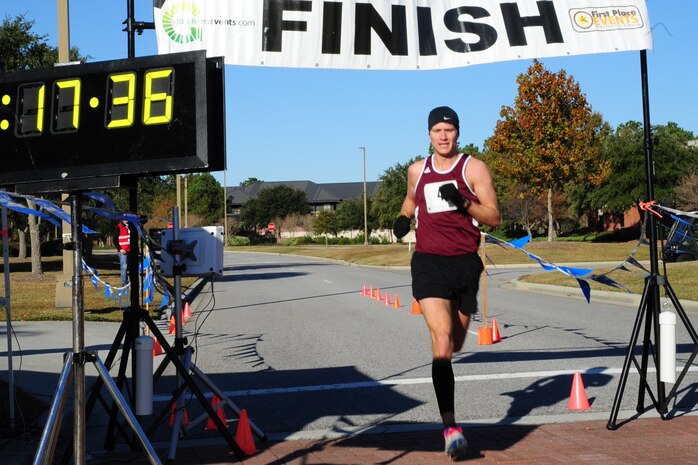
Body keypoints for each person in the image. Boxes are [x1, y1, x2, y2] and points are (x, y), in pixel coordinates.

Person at [393, 106, 500, 460]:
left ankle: (449, 414)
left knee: (454, 345)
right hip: (428, 265)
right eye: (437, 130)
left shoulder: (473, 168)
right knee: (440, 340)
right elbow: (411, 199)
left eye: (449, 130)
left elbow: (494, 217)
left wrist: (465, 203)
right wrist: (403, 218)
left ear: (457, 133)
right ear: (428, 134)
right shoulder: (416, 170)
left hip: (465, 266)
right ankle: (451, 428)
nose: (443, 136)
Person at [113, 219, 132, 285]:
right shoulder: (119, 226)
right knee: (124, 267)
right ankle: (124, 283)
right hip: (123, 250)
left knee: (131, 267)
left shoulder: (131, 226)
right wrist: (120, 249)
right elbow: (114, 239)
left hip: (130, 250)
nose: (126, 219)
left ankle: (130, 282)